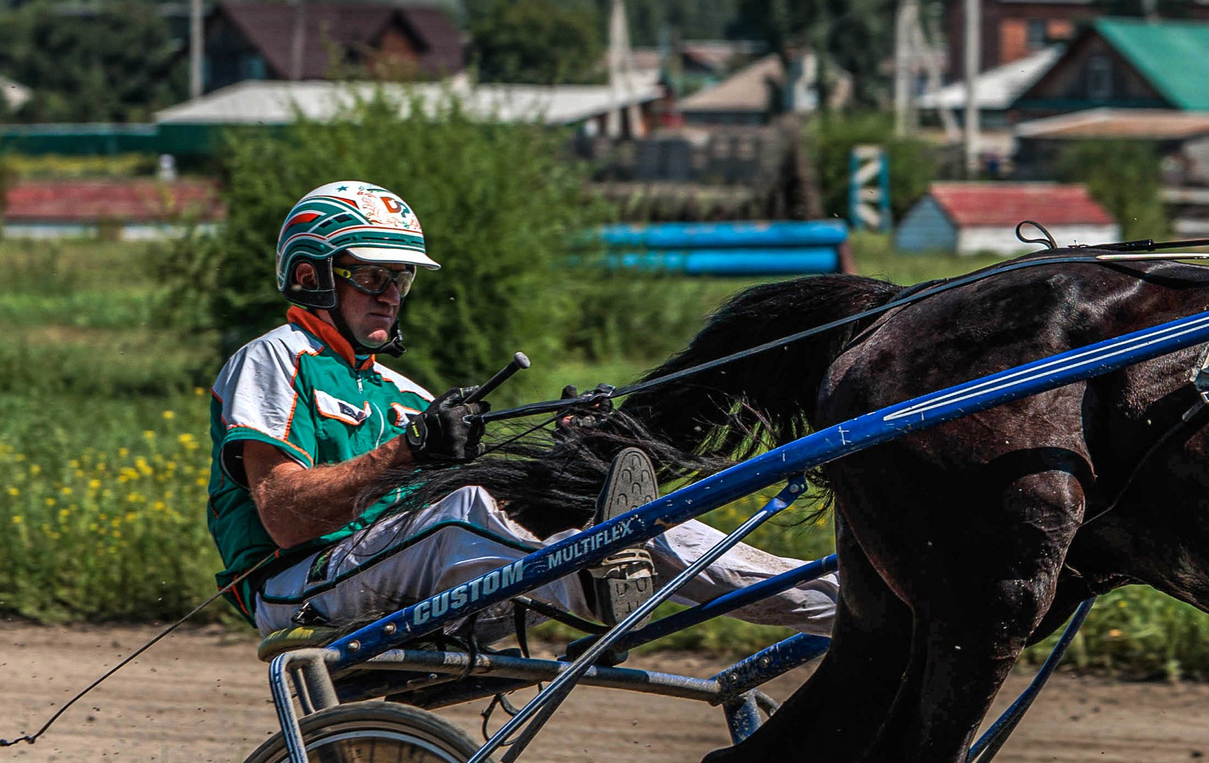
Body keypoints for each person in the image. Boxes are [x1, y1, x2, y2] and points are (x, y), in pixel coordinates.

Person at [209, 179, 837, 659]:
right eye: (371, 275)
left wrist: (573, 451)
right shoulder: (272, 359)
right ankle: (595, 578)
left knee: (654, 521)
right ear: (311, 276)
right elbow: (285, 516)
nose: (389, 295)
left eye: (399, 280)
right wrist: (408, 452)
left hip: (421, 581)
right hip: (303, 591)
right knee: (470, 512)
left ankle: (845, 599)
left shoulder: (403, 392)